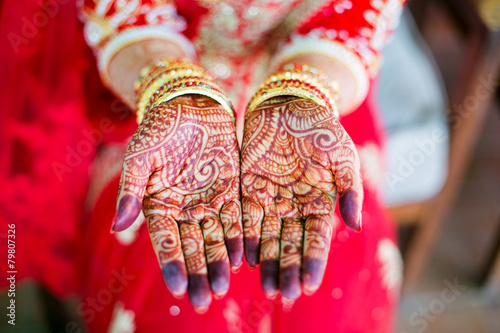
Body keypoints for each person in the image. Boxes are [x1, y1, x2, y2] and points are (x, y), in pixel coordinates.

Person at [1, 0, 405, 331]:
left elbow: (355, 17)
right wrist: (171, 92)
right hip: (147, 88)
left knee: (333, 302)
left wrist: (303, 96)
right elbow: (126, 13)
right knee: (176, 306)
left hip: (316, 96)